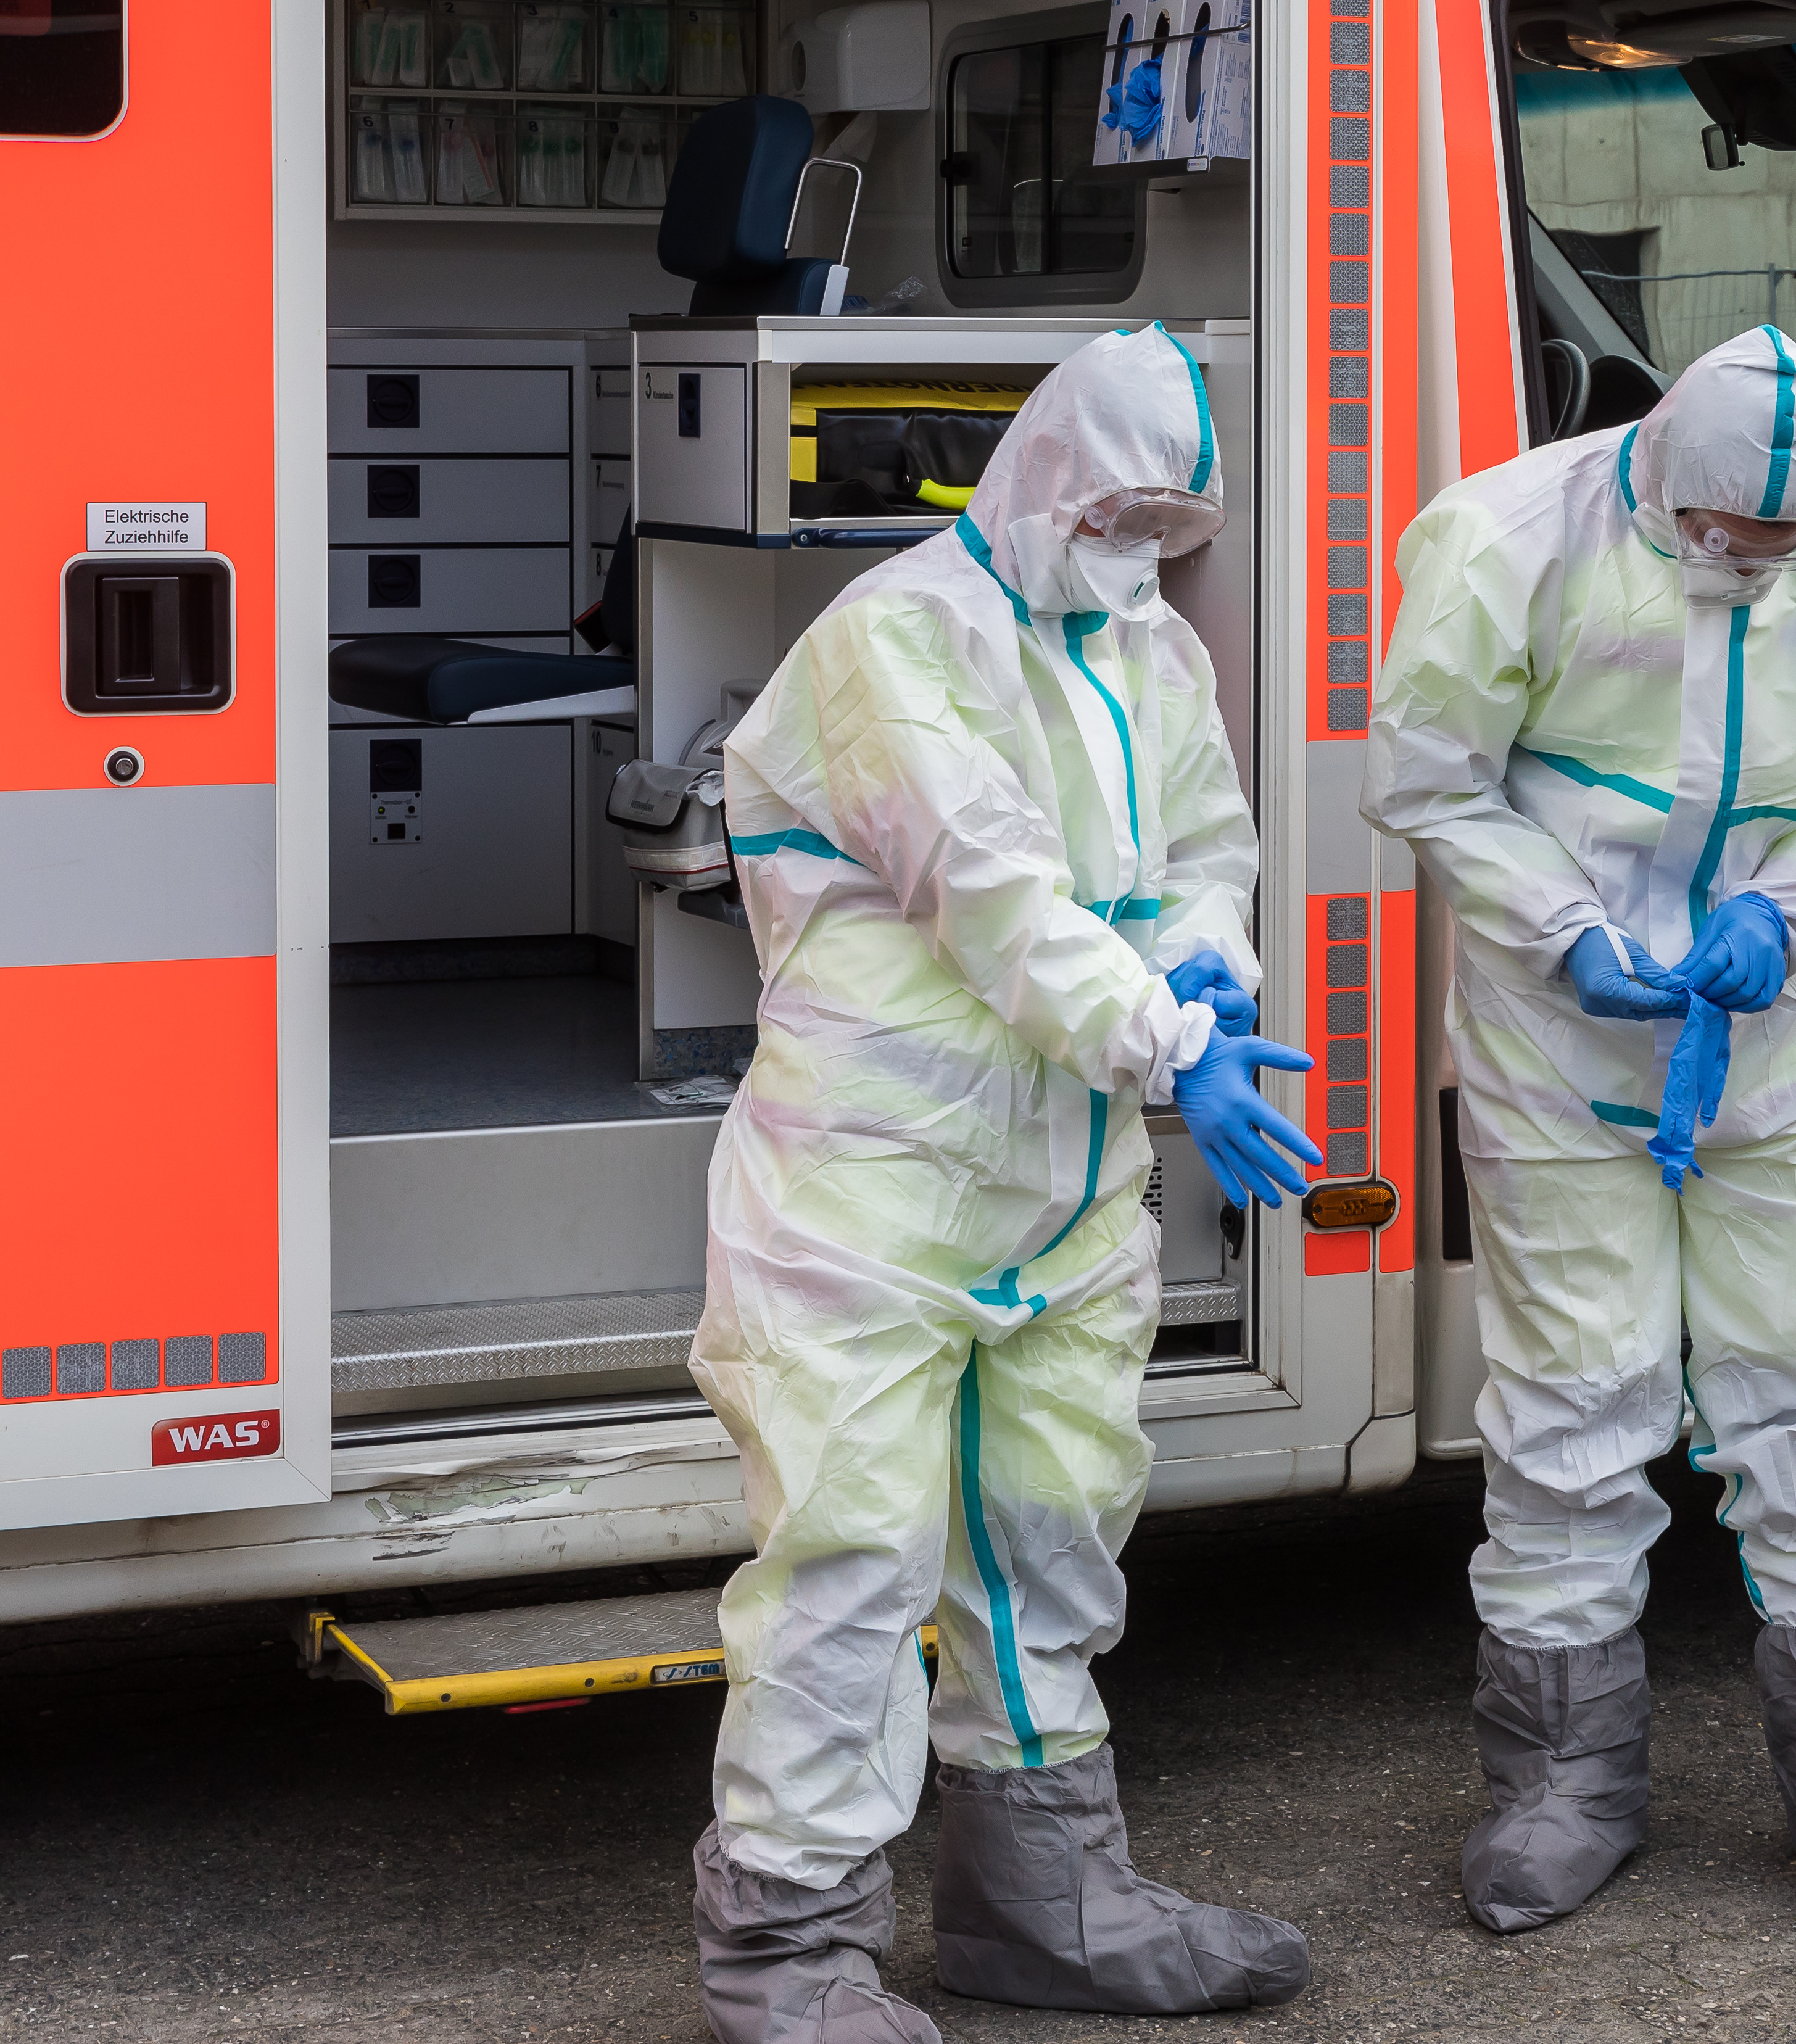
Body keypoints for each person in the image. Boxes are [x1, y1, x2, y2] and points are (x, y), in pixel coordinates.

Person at [687, 323, 1323, 2043]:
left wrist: (1201, 977)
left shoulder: (1149, 650)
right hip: (871, 1200)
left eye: (1167, 526)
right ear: (1042, 473)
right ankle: (788, 1951)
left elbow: (1205, 848)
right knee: (849, 1556)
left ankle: (1040, 1906)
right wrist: (1157, 1037)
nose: (1133, 548)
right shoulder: (898, 640)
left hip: (1063, 1185)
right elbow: (993, 891)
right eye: (1114, 511)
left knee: (1050, 1531)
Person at [1360, 326, 1796, 1938]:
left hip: (1775, 1031)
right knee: (1572, 1402)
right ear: (1657, 476)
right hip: (1558, 1030)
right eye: (1722, 536)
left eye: (1779, 542)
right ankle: (1562, 1782)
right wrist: (1563, 925)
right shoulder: (1507, 539)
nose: (1749, 565)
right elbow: (1431, 776)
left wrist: (1793, 906)